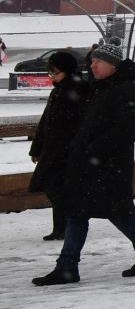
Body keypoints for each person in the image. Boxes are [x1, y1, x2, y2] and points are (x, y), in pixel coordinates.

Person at [33, 43, 135, 286]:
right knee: (80, 213)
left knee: (118, 213)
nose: (91, 65)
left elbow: (123, 132)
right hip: (89, 164)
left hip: (108, 166)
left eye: (97, 62)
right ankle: (68, 266)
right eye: (91, 61)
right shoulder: (98, 88)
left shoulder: (125, 90)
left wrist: (91, 152)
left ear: (112, 65)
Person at [28, 51, 91, 241]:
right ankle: (63, 227)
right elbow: (46, 121)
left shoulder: (80, 90)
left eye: (55, 72)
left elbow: (83, 122)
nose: (52, 77)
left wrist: (76, 147)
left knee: (58, 188)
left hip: (68, 151)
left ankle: (66, 226)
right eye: (50, 73)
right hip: (54, 149)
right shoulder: (59, 90)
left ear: (66, 70)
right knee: (54, 188)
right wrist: (37, 148)